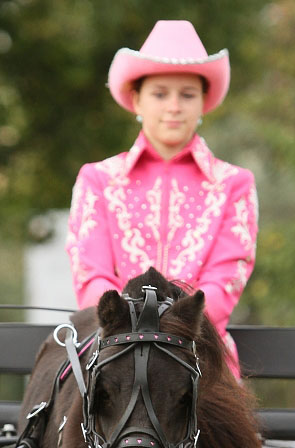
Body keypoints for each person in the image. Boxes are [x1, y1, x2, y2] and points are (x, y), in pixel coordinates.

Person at [66, 20, 258, 378]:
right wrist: (131, 330)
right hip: (114, 352)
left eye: (187, 94)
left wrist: (170, 332)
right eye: (160, 94)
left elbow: (224, 281)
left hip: (198, 353)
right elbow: (92, 276)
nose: (174, 106)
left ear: (203, 103)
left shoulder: (234, 184)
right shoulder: (98, 180)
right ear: (136, 99)